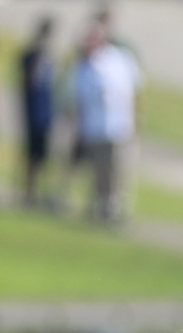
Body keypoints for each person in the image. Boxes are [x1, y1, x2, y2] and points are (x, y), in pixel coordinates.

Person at [71, 12, 142, 224]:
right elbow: (79, 100)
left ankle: (115, 210)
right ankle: (101, 209)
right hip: (94, 128)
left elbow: (134, 90)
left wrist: (137, 120)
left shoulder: (118, 59)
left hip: (118, 126)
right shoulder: (83, 66)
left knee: (117, 172)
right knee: (99, 172)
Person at [18, 18, 58, 210]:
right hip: (32, 111)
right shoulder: (30, 56)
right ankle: (28, 192)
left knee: (44, 155)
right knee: (30, 154)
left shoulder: (50, 58)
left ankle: (41, 191)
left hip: (46, 112)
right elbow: (27, 82)